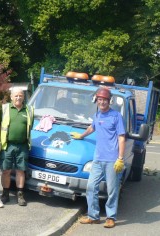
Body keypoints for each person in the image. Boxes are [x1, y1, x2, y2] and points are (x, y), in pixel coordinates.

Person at [71, 87, 125, 228]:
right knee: (91, 187)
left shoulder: (116, 116)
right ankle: (93, 216)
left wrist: (120, 158)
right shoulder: (98, 115)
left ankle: (110, 217)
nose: (102, 102)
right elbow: (92, 127)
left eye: (104, 100)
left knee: (112, 190)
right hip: (98, 159)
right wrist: (81, 136)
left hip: (112, 159)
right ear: (96, 100)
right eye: (99, 99)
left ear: (109, 101)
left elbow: (121, 137)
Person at [0, 87, 34, 206]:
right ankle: (5, 194)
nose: (18, 98)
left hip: (23, 146)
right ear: (11, 97)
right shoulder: (4, 108)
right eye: (16, 96)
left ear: (24, 97)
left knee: (20, 171)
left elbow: (31, 126)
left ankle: (20, 195)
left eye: (21, 95)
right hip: (7, 145)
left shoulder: (29, 110)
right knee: (6, 171)